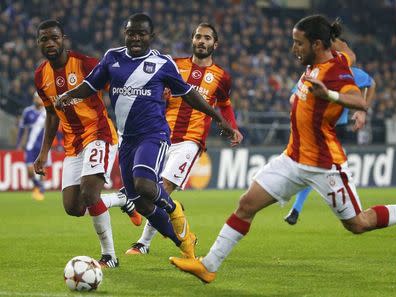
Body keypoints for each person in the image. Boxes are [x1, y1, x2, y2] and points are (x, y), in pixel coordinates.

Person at [169, 15, 396, 283]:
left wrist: (330, 95)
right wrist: (331, 39)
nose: (294, 49)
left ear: (316, 44)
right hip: (292, 158)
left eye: (299, 43)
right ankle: (208, 266)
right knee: (246, 205)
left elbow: (359, 102)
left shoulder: (335, 73)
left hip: (324, 164)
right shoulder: (328, 58)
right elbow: (349, 52)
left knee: (358, 224)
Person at [56, 13, 237, 259]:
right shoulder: (112, 58)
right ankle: (184, 242)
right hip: (126, 140)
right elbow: (91, 84)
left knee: (145, 185)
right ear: (125, 33)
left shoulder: (163, 64)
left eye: (141, 33)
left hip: (154, 134)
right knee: (140, 202)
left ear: (151, 36)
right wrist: (71, 94)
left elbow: (189, 94)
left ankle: (173, 209)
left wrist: (218, 118)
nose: (136, 38)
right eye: (131, 32)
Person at [125, 23, 243, 255]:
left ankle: (143, 243)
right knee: (148, 190)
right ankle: (164, 215)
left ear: (214, 44)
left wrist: (233, 127)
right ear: (192, 40)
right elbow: (155, 93)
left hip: (191, 141)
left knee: (163, 187)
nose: (202, 41)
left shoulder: (222, 77)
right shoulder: (174, 66)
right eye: (198, 36)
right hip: (160, 135)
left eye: (207, 38)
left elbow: (225, 106)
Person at [33, 19, 141, 268]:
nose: (50, 43)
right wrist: (43, 153)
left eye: (54, 38)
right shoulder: (41, 75)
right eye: (44, 39)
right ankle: (123, 199)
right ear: (38, 43)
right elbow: (51, 115)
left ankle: (109, 256)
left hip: (99, 135)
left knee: (90, 192)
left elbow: (116, 89)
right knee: (74, 208)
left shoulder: (85, 64)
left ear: (63, 38)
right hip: (73, 145)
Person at [284, 65, 376, 225]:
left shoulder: (349, 72)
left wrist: (363, 110)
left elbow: (371, 83)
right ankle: (296, 207)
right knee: (314, 168)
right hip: (316, 128)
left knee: (314, 167)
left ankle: (297, 207)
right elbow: (293, 98)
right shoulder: (313, 71)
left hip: (333, 128)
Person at [16, 92, 50, 201]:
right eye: (36, 98)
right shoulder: (27, 112)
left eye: (40, 98)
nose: (38, 100)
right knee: (29, 169)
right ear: (33, 99)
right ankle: (38, 185)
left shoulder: (47, 112)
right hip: (30, 146)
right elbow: (22, 129)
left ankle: (41, 191)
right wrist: (19, 143)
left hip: (42, 146)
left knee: (41, 169)